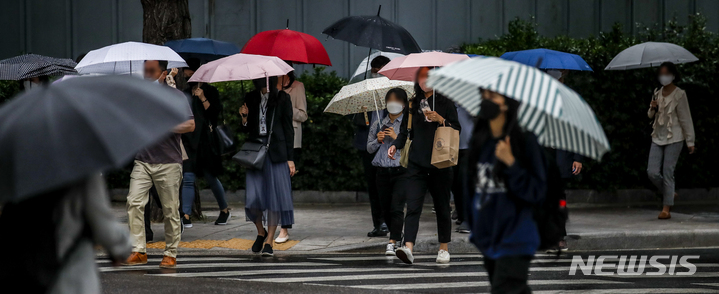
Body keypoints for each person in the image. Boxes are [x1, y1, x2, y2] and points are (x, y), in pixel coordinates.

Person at [467, 89, 546, 294]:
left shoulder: (525, 142)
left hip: (516, 237)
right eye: (483, 95)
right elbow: (471, 187)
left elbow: (537, 191)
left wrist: (511, 162)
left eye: (492, 96)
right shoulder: (480, 141)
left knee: (504, 290)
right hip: (489, 236)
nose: (486, 101)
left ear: (506, 104)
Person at [0, 174, 131, 293]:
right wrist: (120, 249)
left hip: (22, 270)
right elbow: (102, 221)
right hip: (68, 272)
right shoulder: (81, 166)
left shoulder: (18, 165)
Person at [123, 60, 195, 269]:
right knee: (134, 201)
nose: (146, 74)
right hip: (143, 159)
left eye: (151, 71)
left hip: (169, 162)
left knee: (170, 209)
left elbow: (190, 125)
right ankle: (139, 250)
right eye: (144, 70)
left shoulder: (176, 97)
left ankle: (171, 252)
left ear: (163, 73)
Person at [387, 67, 460, 264]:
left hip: (441, 163)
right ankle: (408, 246)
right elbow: (404, 131)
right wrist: (394, 145)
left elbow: (456, 130)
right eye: (420, 76)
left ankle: (443, 248)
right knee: (413, 205)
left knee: (442, 206)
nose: (424, 80)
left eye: (428, 76)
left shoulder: (445, 102)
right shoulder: (412, 103)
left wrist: (441, 119)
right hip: (416, 163)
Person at [238, 76, 295, 257]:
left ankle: (269, 240)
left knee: (274, 199)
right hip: (256, 151)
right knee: (253, 199)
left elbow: (288, 129)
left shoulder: (282, 98)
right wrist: (244, 118)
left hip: (276, 153)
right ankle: (260, 232)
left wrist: (290, 158)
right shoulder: (251, 97)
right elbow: (246, 130)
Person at [180, 61, 230, 227]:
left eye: (188, 70)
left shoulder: (210, 91)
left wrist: (202, 98)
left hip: (206, 142)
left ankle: (224, 209)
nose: (186, 74)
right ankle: (185, 215)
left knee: (211, 178)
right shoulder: (185, 93)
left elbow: (215, 115)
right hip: (189, 141)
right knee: (188, 177)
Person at [647, 62, 695, 219]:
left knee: (668, 172)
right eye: (661, 73)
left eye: (666, 73)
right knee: (652, 172)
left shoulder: (680, 94)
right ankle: (670, 192)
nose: (664, 76)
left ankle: (666, 208)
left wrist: (690, 141)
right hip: (657, 136)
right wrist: (652, 107)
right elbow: (650, 116)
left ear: (673, 75)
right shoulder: (657, 92)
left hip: (675, 137)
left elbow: (685, 118)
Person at [366, 88, 408, 256]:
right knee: (385, 208)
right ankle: (397, 234)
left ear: (404, 104)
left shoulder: (406, 124)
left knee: (397, 207)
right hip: (381, 171)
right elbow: (369, 148)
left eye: (397, 100)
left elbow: (412, 146)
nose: (393, 104)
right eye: (390, 100)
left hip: (401, 170)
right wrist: (378, 139)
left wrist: (397, 137)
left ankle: (393, 241)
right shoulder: (378, 123)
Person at [275, 62, 308, 244]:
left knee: (285, 185)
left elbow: (303, 115)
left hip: (291, 141)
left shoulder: (297, 87)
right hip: (273, 141)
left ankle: (284, 227)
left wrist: (286, 107)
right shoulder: (270, 86)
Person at [452, 104, 474, 234]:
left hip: (469, 148)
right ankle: (461, 214)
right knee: (454, 184)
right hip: (450, 147)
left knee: (465, 182)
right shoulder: (448, 101)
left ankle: (467, 219)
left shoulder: (470, 99)